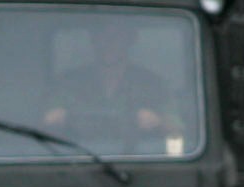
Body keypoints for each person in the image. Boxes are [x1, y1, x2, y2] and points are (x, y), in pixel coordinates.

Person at [43, 17, 175, 137]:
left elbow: (179, 132)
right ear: (93, 39)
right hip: (77, 159)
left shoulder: (154, 84)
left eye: (116, 36)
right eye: (102, 35)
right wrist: (54, 120)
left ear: (130, 40)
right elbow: (40, 130)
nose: (108, 43)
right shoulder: (68, 83)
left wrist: (158, 122)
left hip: (140, 161)